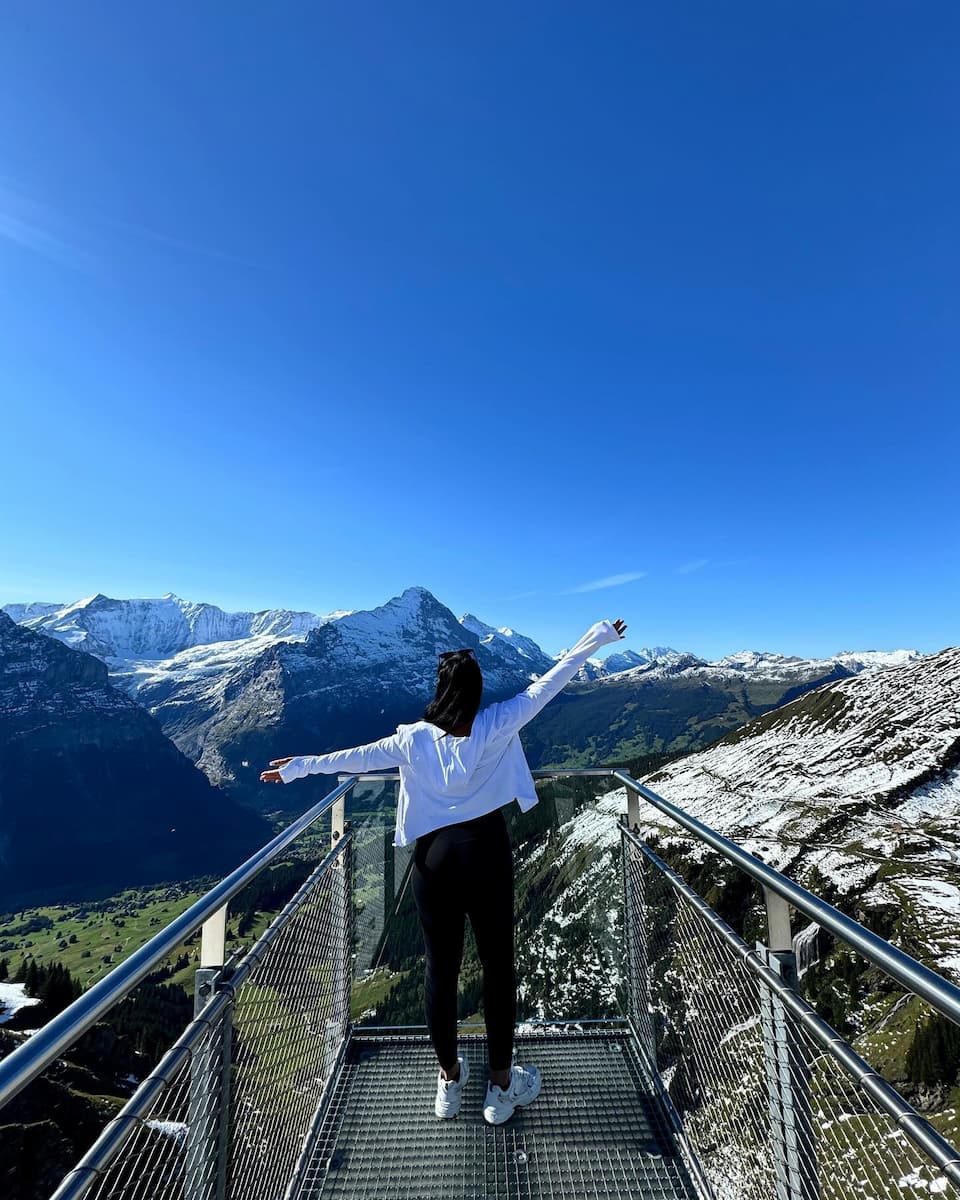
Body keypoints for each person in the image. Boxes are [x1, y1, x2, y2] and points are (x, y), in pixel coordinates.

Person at [261, 616, 627, 1124]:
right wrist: (599, 637)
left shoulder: (413, 740)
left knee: (441, 969)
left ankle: (449, 1082)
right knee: (499, 968)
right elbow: (553, 679)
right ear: (476, 692)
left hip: (434, 861)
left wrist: (297, 766)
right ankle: (501, 1088)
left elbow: (354, 758)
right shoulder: (498, 722)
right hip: (487, 852)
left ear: (440, 692)